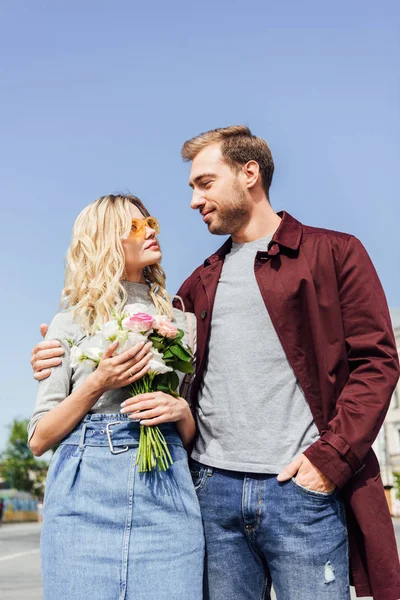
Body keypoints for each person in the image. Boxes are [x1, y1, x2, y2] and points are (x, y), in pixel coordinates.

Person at [32, 127, 400, 600]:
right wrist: (61, 351)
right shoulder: (195, 288)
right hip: (211, 495)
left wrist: (327, 462)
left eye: (204, 183)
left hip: (301, 490)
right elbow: (178, 380)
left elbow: (377, 362)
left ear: (249, 173)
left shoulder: (333, 253)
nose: (191, 200)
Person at [28, 194, 204, 600]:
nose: (151, 231)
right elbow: (39, 438)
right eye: (135, 227)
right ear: (107, 240)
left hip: (168, 495)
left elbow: (195, 439)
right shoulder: (70, 321)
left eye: (151, 222)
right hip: (81, 501)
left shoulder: (183, 324)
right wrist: (97, 382)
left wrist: (182, 411)